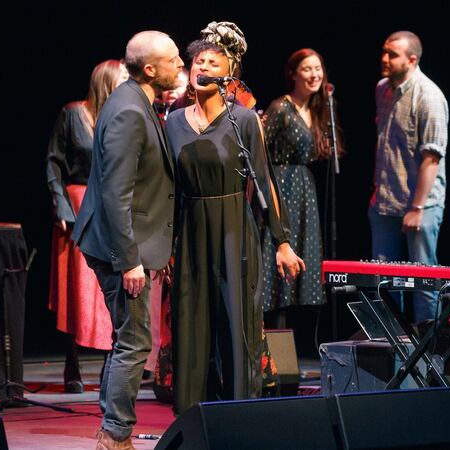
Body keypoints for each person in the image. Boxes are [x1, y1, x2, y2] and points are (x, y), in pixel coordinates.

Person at [166, 21, 304, 414]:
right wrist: (164, 246)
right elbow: (167, 186)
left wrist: (282, 241)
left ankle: (241, 413)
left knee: (235, 325)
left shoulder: (243, 120)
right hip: (191, 231)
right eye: (198, 62)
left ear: (228, 74)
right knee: (191, 327)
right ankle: (192, 416)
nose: (203, 68)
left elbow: (264, 182)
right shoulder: (173, 122)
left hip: (233, 230)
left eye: (212, 62)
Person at [71, 30, 183, 450]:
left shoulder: (139, 102)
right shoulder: (128, 111)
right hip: (117, 246)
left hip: (128, 241)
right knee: (135, 341)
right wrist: (129, 259)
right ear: (150, 69)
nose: (181, 67)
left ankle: (112, 429)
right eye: (174, 60)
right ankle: (115, 436)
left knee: (128, 340)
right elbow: (117, 193)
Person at [46, 59, 127, 394]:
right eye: (123, 77)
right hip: (78, 205)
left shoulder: (125, 116)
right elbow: (54, 162)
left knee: (107, 285)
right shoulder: (73, 113)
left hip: (111, 205)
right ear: (107, 80)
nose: (128, 81)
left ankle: (113, 360)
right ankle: (72, 363)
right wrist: (61, 207)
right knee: (76, 288)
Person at [370, 30, 448, 323]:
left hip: (421, 205)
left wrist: (416, 208)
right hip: (386, 202)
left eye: (392, 54)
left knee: (423, 278)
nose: (385, 59)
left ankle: (430, 354)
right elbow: (386, 144)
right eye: (384, 52)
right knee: (384, 280)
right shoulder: (383, 89)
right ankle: (393, 351)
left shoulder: (429, 96)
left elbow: (431, 158)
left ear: (412, 60)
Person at [260, 48, 342, 316]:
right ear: (293, 74)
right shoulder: (281, 108)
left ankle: (290, 339)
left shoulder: (319, 109)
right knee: (278, 260)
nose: (314, 74)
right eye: (307, 69)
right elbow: (261, 152)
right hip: (282, 186)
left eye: (318, 68)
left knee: (301, 258)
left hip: (304, 190)